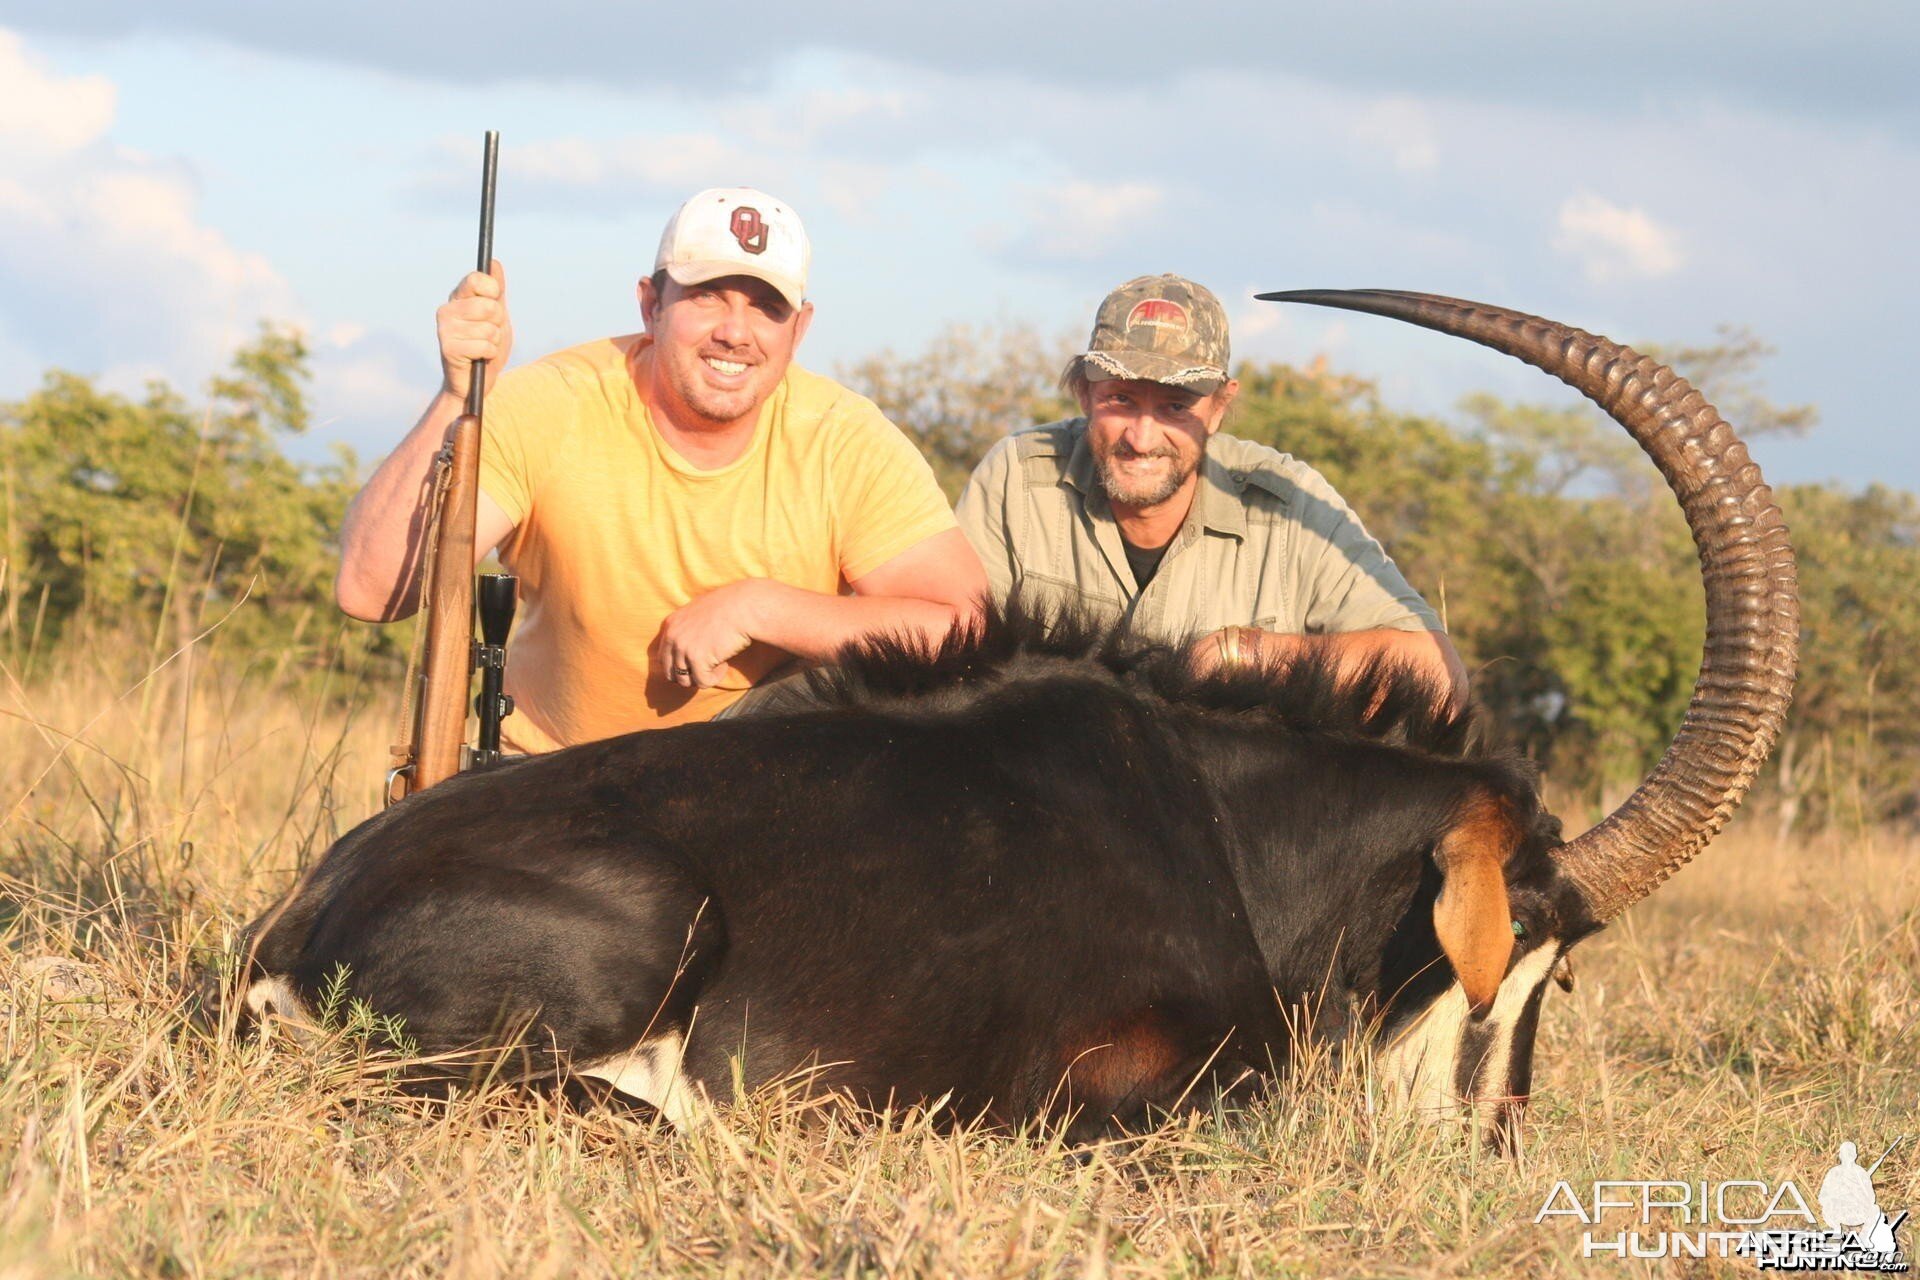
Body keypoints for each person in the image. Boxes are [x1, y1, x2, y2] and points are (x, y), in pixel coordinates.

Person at [336, 187, 985, 752]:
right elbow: (372, 592)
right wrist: (456, 396)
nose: (736, 331)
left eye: (767, 306)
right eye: (707, 296)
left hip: (747, 793)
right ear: (651, 305)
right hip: (543, 784)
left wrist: (760, 608)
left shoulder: (846, 440)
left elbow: (964, 632)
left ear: (800, 328)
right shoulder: (552, 402)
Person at [957, 274, 1463, 696]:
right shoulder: (1018, 476)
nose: (1142, 437)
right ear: (1084, 393)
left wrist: (1246, 653)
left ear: (1220, 406)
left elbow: (1437, 679)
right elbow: (950, 659)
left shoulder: (1288, 502)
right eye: (1121, 400)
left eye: (1176, 406)